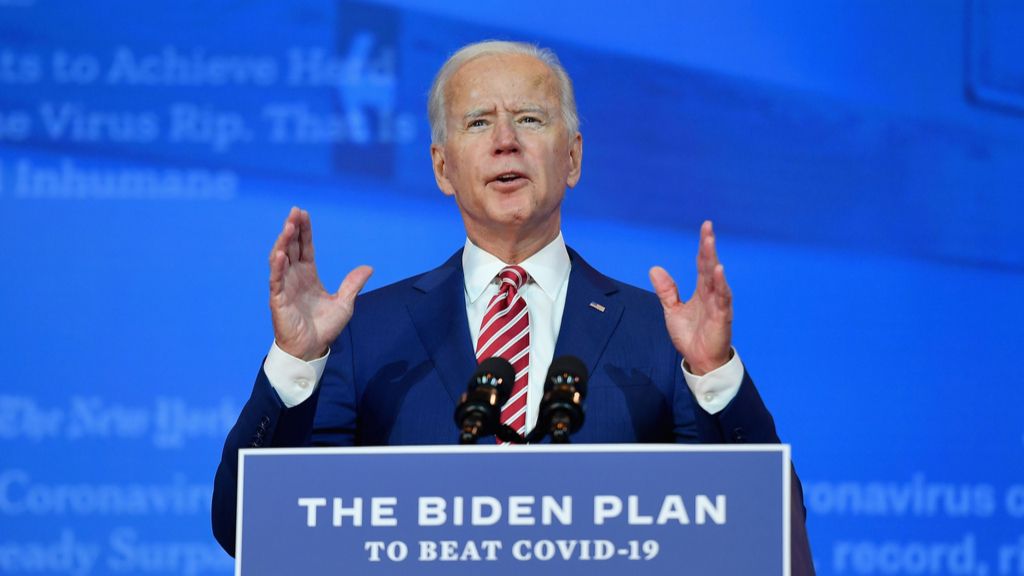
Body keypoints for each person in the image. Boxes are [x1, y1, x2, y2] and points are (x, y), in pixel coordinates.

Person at [212, 40, 814, 571]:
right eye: (478, 123)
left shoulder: (663, 336)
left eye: (529, 119)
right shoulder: (363, 335)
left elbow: (771, 530)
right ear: (442, 167)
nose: (505, 142)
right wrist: (296, 363)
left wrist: (715, 377)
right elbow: (246, 529)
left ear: (572, 158)